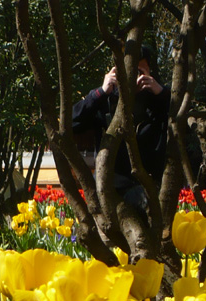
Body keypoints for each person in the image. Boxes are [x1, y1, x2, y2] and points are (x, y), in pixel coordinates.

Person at [71, 46, 170, 214]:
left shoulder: (157, 102)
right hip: (110, 186)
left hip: (145, 186)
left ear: (148, 72)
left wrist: (160, 93)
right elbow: (72, 122)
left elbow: (183, 123)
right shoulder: (105, 101)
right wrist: (100, 93)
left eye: (139, 71)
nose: (133, 77)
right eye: (129, 71)